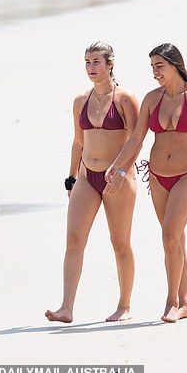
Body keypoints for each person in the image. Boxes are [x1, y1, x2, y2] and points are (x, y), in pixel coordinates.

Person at [103, 43, 187, 323]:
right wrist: (118, 165)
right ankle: (186, 302)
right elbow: (137, 138)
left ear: (175, 65)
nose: (155, 72)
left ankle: (172, 302)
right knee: (175, 239)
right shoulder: (152, 99)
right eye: (152, 67)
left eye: (159, 66)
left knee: (170, 235)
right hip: (158, 175)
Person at [45, 41, 140, 323]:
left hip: (119, 179)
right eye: (87, 62)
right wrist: (71, 178)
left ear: (110, 64)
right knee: (74, 240)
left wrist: (121, 172)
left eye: (96, 62)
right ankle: (66, 308)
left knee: (120, 242)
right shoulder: (80, 101)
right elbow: (77, 141)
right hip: (87, 176)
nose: (91, 68)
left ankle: (124, 306)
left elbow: (135, 141)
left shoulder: (125, 99)